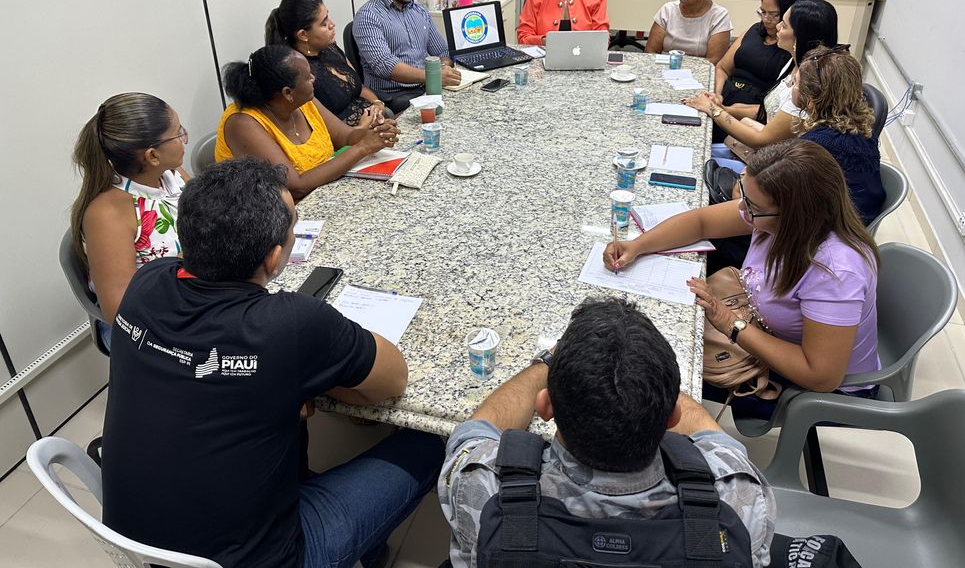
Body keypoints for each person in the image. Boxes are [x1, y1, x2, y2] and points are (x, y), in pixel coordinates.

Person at [101, 157, 445, 568]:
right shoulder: (291, 322)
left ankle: (362, 541)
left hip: (140, 546)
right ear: (274, 257)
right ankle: (361, 548)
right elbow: (393, 379)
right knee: (429, 442)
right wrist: (302, 375)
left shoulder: (147, 280)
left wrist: (281, 386)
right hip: (267, 560)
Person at [440, 296, 775, 568]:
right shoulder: (738, 495)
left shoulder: (483, 485)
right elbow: (711, 435)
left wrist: (549, 364)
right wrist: (646, 377)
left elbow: (474, 431)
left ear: (545, 406)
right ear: (673, 416)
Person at [604, 139, 880, 419]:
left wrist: (730, 323)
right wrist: (636, 246)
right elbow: (701, 222)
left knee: (647, 378)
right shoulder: (775, 216)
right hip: (769, 334)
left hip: (818, 390)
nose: (743, 210)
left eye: (751, 206)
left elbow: (821, 376)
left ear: (793, 214)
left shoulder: (836, 272)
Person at [70, 93, 189, 352]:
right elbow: (119, 310)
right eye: (178, 134)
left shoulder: (172, 175)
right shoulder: (108, 213)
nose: (183, 139)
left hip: (191, 294)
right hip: (143, 323)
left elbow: (209, 215)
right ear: (153, 156)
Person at [215, 44, 399, 201]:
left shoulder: (303, 101)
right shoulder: (242, 123)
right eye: (307, 77)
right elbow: (296, 187)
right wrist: (363, 147)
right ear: (288, 93)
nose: (313, 79)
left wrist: (375, 132)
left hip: (323, 195)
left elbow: (346, 137)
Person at [685, 0, 839, 153]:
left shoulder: (808, 85)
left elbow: (761, 140)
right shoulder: (794, 65)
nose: (777, 26)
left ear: (799, 37)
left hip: (773, 160)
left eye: (784, 25)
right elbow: (771, 111)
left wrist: (713, 110)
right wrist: (724, 108)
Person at [353, 0, 461, 113]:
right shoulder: (368, 16)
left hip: (427, 87)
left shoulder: (420, 11)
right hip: (395, 96)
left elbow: (442, 52)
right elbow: (385, 66)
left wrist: (445, 69)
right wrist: (433, 75)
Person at [793, 46, 886, 225]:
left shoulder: (815, 146)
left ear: (811, 101)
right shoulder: (864, 131)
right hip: (854, 224)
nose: (792, 86)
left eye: (796, 83)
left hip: (829, 231)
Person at [265, 0, 388, 125]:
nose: (332, 24)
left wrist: (377, 104)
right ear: (303, 35)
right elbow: (318, 126)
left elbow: (360, 87)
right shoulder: (299, 71)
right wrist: (363, 129)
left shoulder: (330, 48)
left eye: (328, 17)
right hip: (349, 134)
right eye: (324, 23)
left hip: (374, 122)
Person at [708, 0, 807, 143]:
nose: (766, 20)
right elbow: (722, 68)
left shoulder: (793, 51)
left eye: (774, 15)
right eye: (762, 12)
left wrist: (725, 110)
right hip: (725, 101)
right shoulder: (754, 30)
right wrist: (717, 95)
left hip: (749, 118)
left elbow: (774, 109)